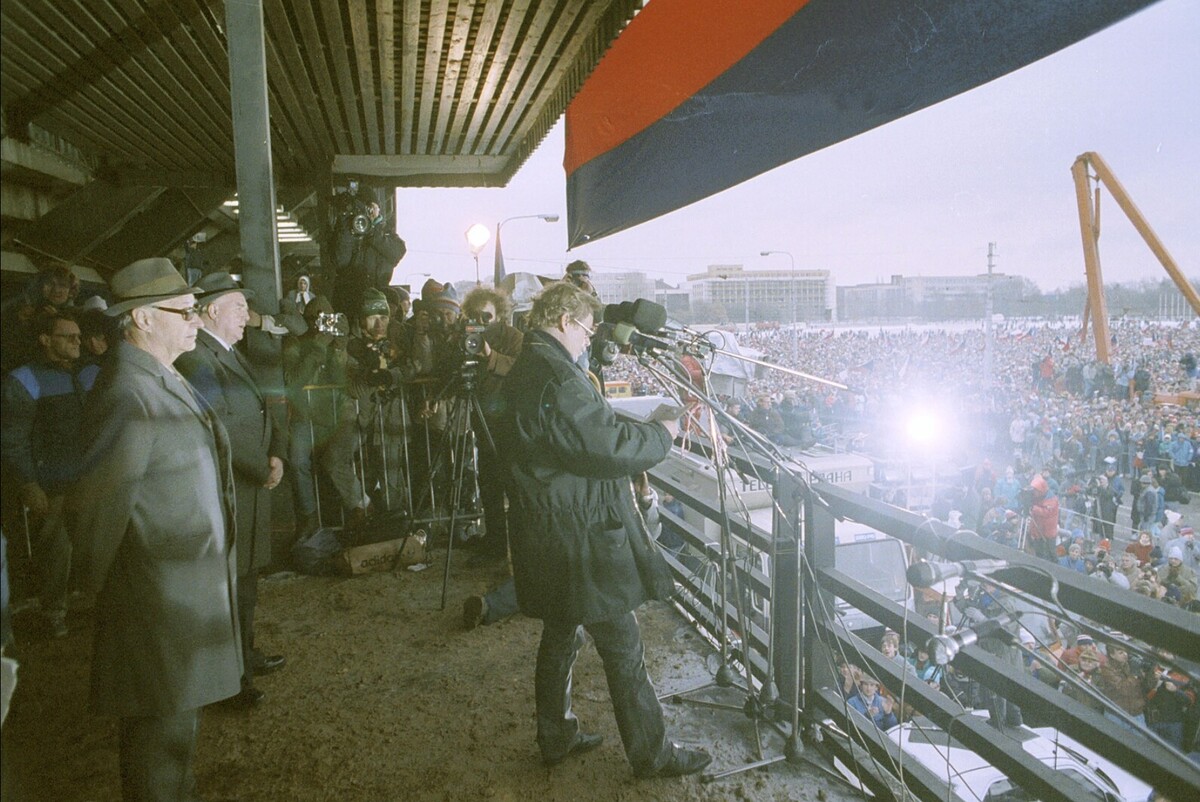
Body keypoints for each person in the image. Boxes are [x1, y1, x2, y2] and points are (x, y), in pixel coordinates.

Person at [498, 281, 710, 778]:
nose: (591, 339)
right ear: (566, 320)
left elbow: (579, 434)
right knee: (623, 646)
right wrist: (663, 432)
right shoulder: (557, 374)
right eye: (588, 330)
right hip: (579, 537)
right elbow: (606, 445)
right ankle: (652, 754)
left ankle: (555, 734)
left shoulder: (528, 367)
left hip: (547, 527)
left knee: (560, 633)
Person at [69, 258, 241, 802]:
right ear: (142, 318)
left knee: (175, 736)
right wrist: (103, 590)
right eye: (184, 310)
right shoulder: (126, 393)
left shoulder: (164, 377)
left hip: (179, 596)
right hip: (154, 600)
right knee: (158, 744)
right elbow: (96, 509)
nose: (195, 319)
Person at [176, 272, 287, 706]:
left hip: (251, 481)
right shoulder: (197, 359)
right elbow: (219, 422)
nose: (247, 316)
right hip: (233, 483)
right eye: (240, 307)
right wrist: (260, 466)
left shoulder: (228, 353)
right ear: (213, 309)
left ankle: (245, 653)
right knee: (229, 581)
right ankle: (229, 676)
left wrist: (276, 450)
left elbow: (263, 405)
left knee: (246, 578)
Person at [1, 309, 100, 637]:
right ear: (45, 340)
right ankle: (53, 613)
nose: (77, 341)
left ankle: (93, 603)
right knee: (56, 550)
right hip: (53, 484)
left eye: (78, 336)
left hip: (90, 478)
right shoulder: (24, 379)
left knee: (95, 543)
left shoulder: (88, 372)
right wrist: (29, 484)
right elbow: (12, 441)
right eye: (68, 336)